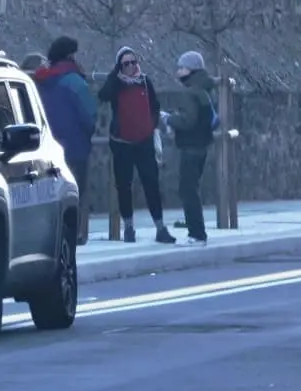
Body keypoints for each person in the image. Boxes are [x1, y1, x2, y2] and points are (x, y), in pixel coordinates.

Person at [96, 47, 176, 244]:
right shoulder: (116, 84)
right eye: (126, 63)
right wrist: (115, 76)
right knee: (124, 186)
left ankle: (160, 227)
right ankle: (129, 228)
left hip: (144, 141)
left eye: (134, 62)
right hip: (121, 142)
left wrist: (152, 124)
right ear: (120, 66)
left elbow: (155, 105)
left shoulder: (145, 81)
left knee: (151, 184)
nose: (131, 66)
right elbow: (103, 95)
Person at [34, 35, 98, 242]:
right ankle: (75, 233)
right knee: (76, 191)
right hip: (75, 146)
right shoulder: (75, 81)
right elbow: (89, 115)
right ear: (71, 55)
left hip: (46, 147)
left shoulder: (40, 81)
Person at [166, 50, 217, 245]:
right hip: (202, 145)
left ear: (191, 69)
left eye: (182, 67)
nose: (178, 71)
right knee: (192, 189)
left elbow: (188, 121)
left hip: (190, 146)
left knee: (188, 191)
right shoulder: (205, 89)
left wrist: (169, 119)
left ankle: (197, 234)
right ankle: (197, 231)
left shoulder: (190, 92)